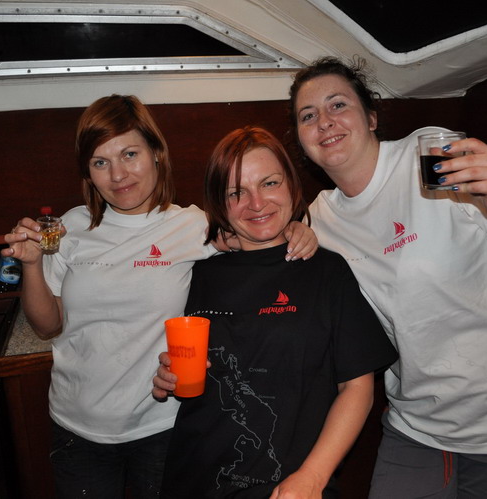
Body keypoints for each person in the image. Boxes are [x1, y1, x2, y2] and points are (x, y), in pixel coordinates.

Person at [2, 95, 317, 499]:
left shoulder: (193, 225)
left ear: (156, 152)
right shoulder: (69, 229)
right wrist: (31, 265)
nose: (118, 174)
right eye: (100, 162)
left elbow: (258, 231)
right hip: (77, 429)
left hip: (162, 427)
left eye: (130, 154)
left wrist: (297, 229)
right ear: (88, 173)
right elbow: (48, 324)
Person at [288, 57, 487, 499]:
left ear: (371, 117)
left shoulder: (431, 155)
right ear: (302, 140)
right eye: (308, 116)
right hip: (417, 422)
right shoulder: (320, 218)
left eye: (338, 105)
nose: (324, 121)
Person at [152, 126, 397, 498]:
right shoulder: (199, 272)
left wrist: (312, 478)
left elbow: (357, 388)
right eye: (236, 192)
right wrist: (167, 376)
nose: (256, 203)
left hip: (291, 486)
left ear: (291, 186)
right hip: (194, 481)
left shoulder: (327, 271)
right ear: (219, 202)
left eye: (269, 183)